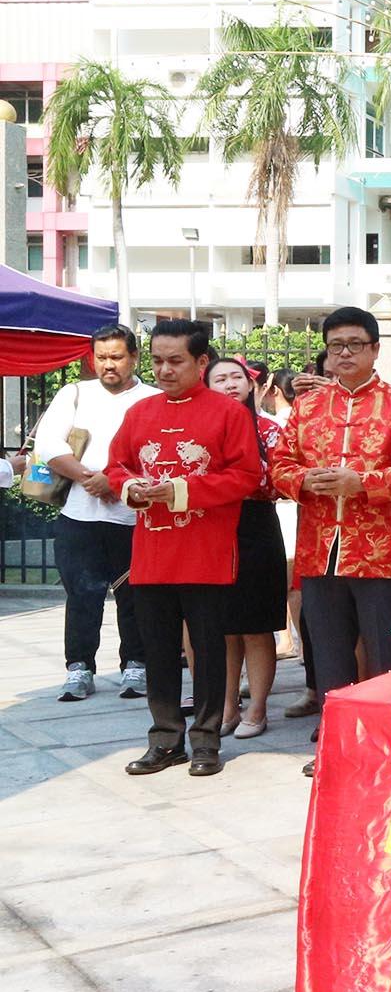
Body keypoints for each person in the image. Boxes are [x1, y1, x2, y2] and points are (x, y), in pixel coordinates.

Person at [270, 306, 391, 778]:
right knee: (328, 653)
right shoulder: (307, 407)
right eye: (336, 346)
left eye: (355, 345)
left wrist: (362, 483)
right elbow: (279, 464)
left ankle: (390, 749)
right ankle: (336, 747)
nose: (344, 354)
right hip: (320, 549)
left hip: (379, 552)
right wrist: (304, 480)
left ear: (375, 349)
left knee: (385, 655)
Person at [105, 319, 262, 777]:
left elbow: (246, 476)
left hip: (206, 551)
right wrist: (132, 487)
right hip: (152, 553)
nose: (164, 370)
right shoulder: (139, 412)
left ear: (201, 361)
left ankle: (206, 740)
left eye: (175, 361)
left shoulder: (229, 413)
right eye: (157, 361)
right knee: (157, 650)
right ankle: (165, 739)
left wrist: (179, 491)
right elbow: (116, 466)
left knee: (208, 651)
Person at [33, 324, 158, 701]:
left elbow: (160, 454)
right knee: (82, 595)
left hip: (133, 518)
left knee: (136, 596)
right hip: (79, 516)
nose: (108, 365)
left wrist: (115, 482)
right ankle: (79, 667)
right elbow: (48, 445)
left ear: (134, 357)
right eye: (101, 357)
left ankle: (136, 664)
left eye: (117, 357)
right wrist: (91, 478)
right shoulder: (74, 394)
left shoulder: (152, 399)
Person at [204, 356, 287, 739]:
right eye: (220, 379)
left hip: (256, 526)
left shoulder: (268, 430)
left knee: (256, 625)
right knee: (221, 625)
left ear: (251, 385)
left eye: (236, 377)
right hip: (213, 529)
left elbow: (278, 481)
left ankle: (257, 707)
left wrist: (230, 480)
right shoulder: (199, 430)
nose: (230, 384)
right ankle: (226, 707)